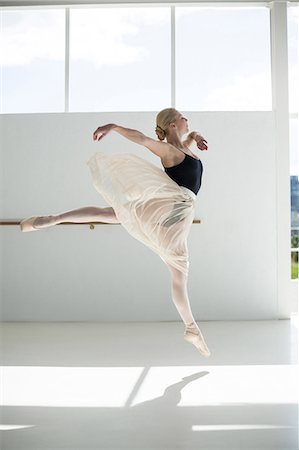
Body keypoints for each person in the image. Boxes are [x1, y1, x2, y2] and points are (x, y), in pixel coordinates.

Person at [20, 108, 210, 357]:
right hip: (174, 208)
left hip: (172, 209)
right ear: (173, 125)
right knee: (178, 271)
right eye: (182, 117)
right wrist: (114, 126)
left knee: (111, 214)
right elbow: (142, 139)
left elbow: (187, 142)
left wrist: (195, 135)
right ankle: (191, 328)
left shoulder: (182, 147)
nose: (187, 119)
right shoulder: (170, 152)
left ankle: (54, 219)